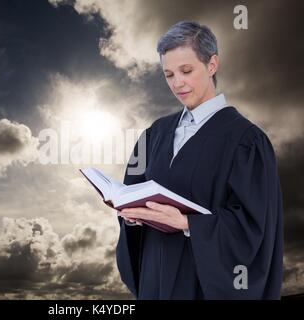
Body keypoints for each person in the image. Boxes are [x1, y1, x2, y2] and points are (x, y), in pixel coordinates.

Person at [116, 21, 283, 299]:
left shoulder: (247, 141)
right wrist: (131, 217)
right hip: (153, 281)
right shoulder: (154, 133)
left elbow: (255, 227)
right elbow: (131, 191)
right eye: (168, 74)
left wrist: (188, 224)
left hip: (200, 286)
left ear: (212, 64)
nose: (177, 83)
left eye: (186, 70)